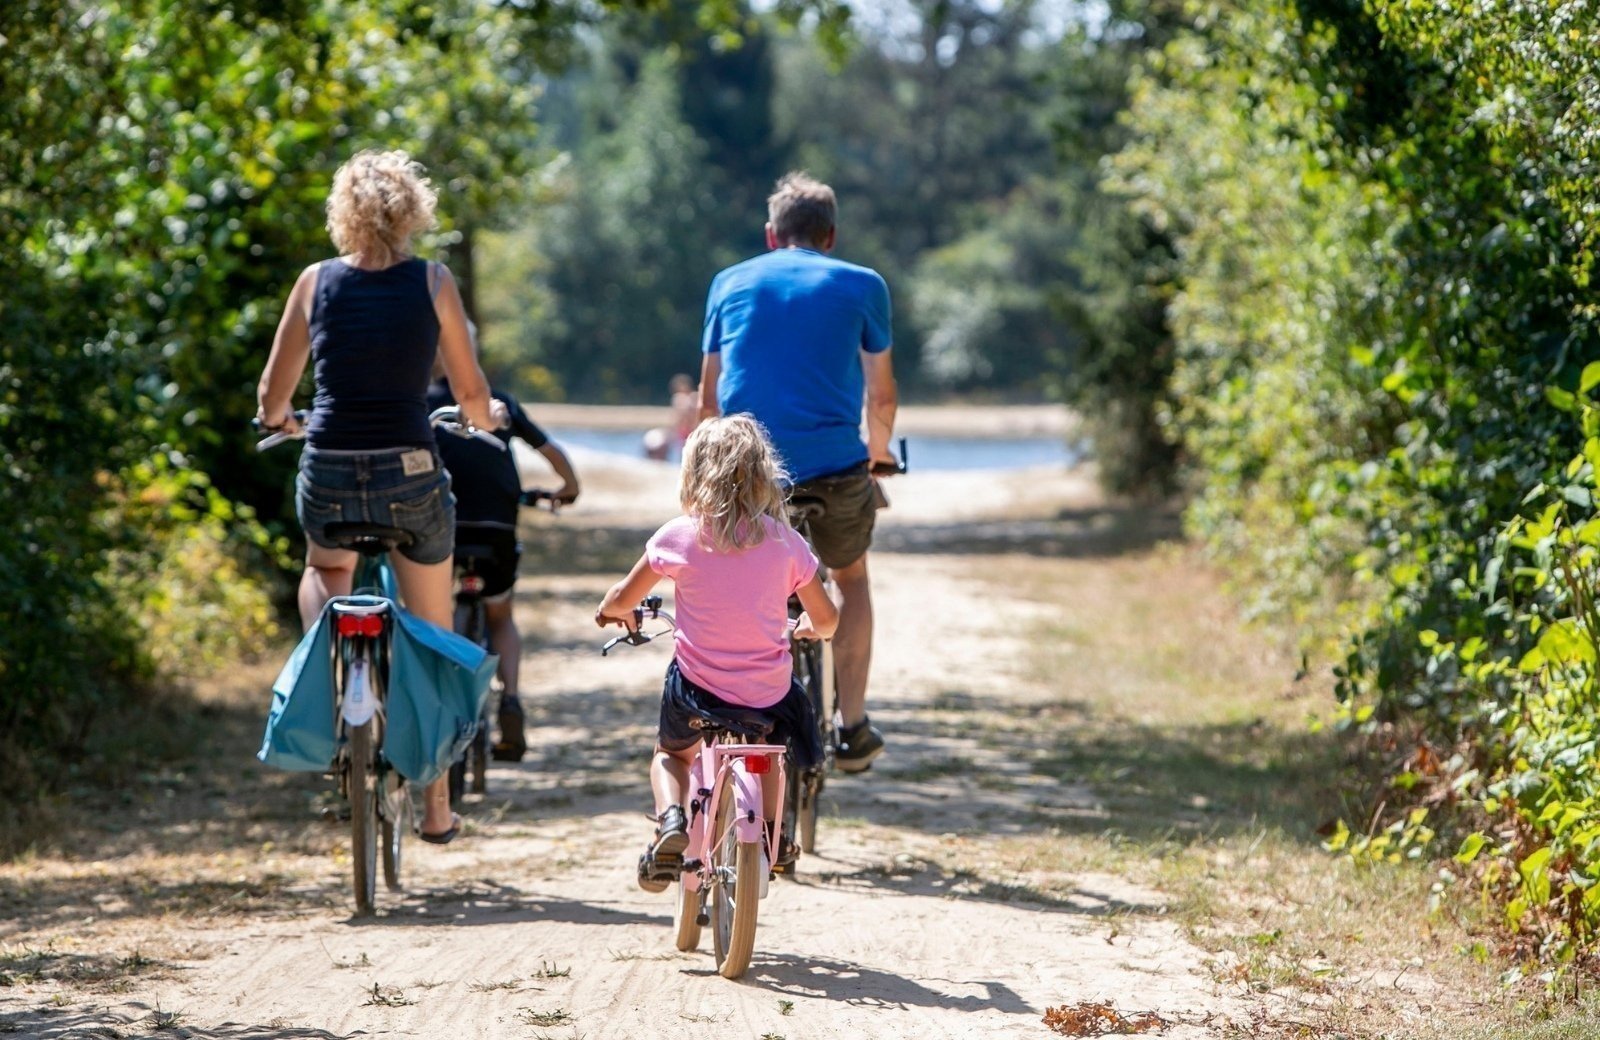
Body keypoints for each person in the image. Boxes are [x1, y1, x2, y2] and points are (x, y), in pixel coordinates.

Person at [256, 149, 507, 845]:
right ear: (412, 211)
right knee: (432, 633)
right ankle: (435, 808)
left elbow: (274, 396)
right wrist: (484, 420)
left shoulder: (315, 282)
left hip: (330, 466)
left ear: (344, 214)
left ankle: (335, 661)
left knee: (322, 571)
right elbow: (470, 393)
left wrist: (282, 421)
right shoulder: (433, 281)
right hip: (409, 471)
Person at [695, 171, 898, 772]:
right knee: (850, 578)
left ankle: (723, 710)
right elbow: (881, 400)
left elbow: (709, 403)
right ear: (830, 236)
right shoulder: (864, 285)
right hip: (836, 468)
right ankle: (851, 723)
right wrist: (877, 454)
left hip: (748, 468)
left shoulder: (728, 282)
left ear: (770, 234)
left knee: (737, 575)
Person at [594, 416, 839, 891]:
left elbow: (623, 598)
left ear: (694, 473)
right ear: (763, 477)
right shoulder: (788, 543)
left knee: (671, 754)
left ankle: (669, 820)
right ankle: (773, 835)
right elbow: (827, 620)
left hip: (697, 693)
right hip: (766, 694)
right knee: (768, 751)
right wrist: (810, 627)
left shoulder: (679, 536)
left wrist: (610, 610)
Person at [426, 350, 581, 760]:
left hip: (444, 525)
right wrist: (569, 487)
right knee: (500, 615)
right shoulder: (501, 402)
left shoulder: (423, 402)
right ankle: (510, 698)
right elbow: (549, 450)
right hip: (496, 528)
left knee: (433, 609)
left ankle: (439, 699)